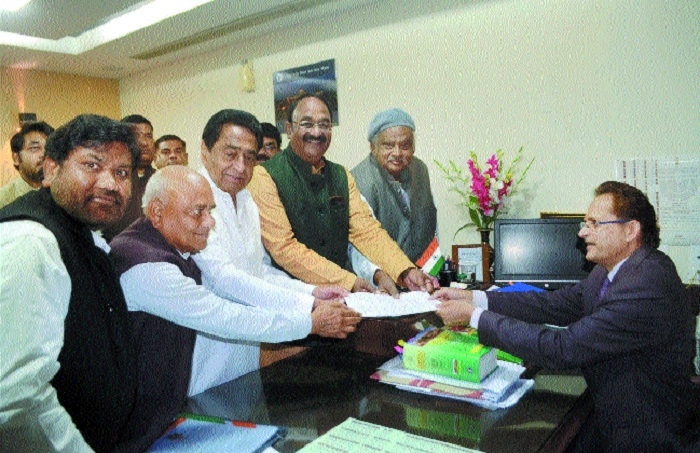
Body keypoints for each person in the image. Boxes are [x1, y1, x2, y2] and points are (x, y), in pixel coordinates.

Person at [109, 166, 360, 452]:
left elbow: (251, 278)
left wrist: (309, 296)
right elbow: (224, 316)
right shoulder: (146, 267)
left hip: (175, 405)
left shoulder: (175, 240)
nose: (209, 222)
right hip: (139, 423)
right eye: (198, 212)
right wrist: (309, 323)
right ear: (157, 212)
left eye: (210, 211)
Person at [433, 181, 697, 452]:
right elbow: (552, 304)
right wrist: (474, 298)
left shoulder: (647, 283)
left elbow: (563, 348)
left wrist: (475, 317)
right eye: (585, 223)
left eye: (594, 224)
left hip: (646, 434)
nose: (583, 232)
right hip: (608, 410)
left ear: (630, 230)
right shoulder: (609, 270)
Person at [0, 114, 140, 452]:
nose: (110, 183)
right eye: (92, 165)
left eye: (121, 173)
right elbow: (18, 400)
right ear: (51, 170)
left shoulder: (82, 232)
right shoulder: (32, 242)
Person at [192, 109, 350, 394]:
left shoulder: (246, 199)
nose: (240, 167)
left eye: (249, 157)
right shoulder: (194, 204)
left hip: (247, 356)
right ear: (205, 150)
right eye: (230, 154)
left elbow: (259, 271)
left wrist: (312, 291)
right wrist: (307, 307)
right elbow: (226, 279)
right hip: (207, 357)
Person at [248, 94, 434, 293]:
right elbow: (284, 248)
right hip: (293, 296)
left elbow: (367, 231)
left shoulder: (341, 175)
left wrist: (406, 271)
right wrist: (347, 281)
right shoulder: (263, 176)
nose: (316, 132)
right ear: (289, 129)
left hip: (340, 295)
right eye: (307, 124)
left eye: (324, 125)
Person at [351, 108, 436, 262]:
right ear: (373, 147)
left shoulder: (419, 170)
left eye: (404, 146)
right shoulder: (359, 181)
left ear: (413, 147)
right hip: (380, 271)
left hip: (420, 270)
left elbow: (429, 225)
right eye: (388, 146)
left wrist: (432, 269)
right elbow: (364, 249)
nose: (397, 153)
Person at [103, 114, 156, 241]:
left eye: (148, 136)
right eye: (135, 135)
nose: (144, 143)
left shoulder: (162, 179)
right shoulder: (108, 179)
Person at [0, 120, 54, 208]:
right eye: (34, 148)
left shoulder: (63, 195)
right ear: (16, 158)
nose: (44, 154)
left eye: (49, 148)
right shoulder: (3, 199)